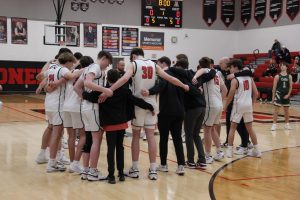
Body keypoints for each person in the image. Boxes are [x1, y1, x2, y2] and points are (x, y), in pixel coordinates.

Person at [99, 48, 189, 180]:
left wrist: (109, 90)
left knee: (136, 136)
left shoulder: (134, 64)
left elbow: (124, 79)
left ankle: (135, 169)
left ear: (134, 56)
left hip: (138, 103)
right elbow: (170, 78)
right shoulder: (154, 64)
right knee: (151, 136)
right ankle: (153, 169)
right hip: (152, 104)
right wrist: (183, 85)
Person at [82, 69, 154, 184]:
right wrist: (149, 106)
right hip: (121, 124)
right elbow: (136, 101)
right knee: (120, 148)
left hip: (109, 125)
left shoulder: (102, 92)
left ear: (107, 78)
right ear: (119, 79)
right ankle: (121, 174)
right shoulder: (125, 91)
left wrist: (82, 92)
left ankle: (111, 176)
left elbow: (88, 96)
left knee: (111, 150)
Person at [168, 58, 216, 169]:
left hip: (192, 108)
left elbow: (173, 69)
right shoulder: (198, 75)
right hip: (202, 107)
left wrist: (165, 68)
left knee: (189, 134)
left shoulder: (186, 73)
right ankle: (202, 160)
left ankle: (190, 161)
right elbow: (211, 71)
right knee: (196, 135)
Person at [141, 56, 186, 175]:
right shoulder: (179, 74)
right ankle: (181, 165)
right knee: (177, 139)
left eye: (158, 64)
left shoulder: (165, 74)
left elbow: (161, 86)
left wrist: (149, 91)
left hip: (166, 112)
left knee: (164, 139)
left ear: (162, 64)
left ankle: (164, 165)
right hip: (180, 111)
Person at [73, 51, 113, 181]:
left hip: (85, 107)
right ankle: (93, 171)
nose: (107, 66)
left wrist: (85, 97)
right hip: (92, 108)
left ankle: (86, 171)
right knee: (96, 140)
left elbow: (76, 87)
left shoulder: (87, 68)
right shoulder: (95, 67)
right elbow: (87, 83)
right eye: (108, 63)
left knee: (89, 139)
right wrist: (105, 90)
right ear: (104, 58)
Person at [42, 52, 82, 172]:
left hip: (48, 103)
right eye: (72, 64)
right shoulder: (62, 70)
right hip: (57, 106)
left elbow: (40, 77)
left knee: (56, 133)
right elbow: (71, 76)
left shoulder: (51, 68)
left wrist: (47, 86)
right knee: (57, 135)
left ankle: (54, 160)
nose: (72, 67)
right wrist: (86, 68)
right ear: (68, 62)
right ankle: (52, 163)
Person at [192, 57, 227, 164]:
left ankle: (207, 155)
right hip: (219, 104)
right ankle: (219, 151)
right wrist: (219, 101)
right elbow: (225, 90)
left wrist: (195, 77)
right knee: (212, 129)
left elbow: (202, 70)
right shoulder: (217, 74)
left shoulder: (205, 70)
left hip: (211, 105)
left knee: (207, 130)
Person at [224, 59, 261, 158]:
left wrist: (225, 106)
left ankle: (229, 151)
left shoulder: (235, 80)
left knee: (232, 127)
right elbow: (256, 93)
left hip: (238, 105)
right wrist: (252, 104)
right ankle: (257, 150)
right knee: (250, 128)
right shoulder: (249, 78)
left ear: (235, 67)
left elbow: (230, 95)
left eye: (231, 67)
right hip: (248, 105)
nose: (230, 70)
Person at [271, 62, 293, 131]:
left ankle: (287, 124)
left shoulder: (289, 76)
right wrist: (273, 98)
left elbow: (291, 87)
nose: (282, 66)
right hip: (279, 94)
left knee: (286, 111)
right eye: (281, 65)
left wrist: (288, 94)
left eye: (284, 65)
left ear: (286, 67)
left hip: (286, 94)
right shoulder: (277, 76)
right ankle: (274, 125)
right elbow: (274, 88)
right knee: (276, 110)